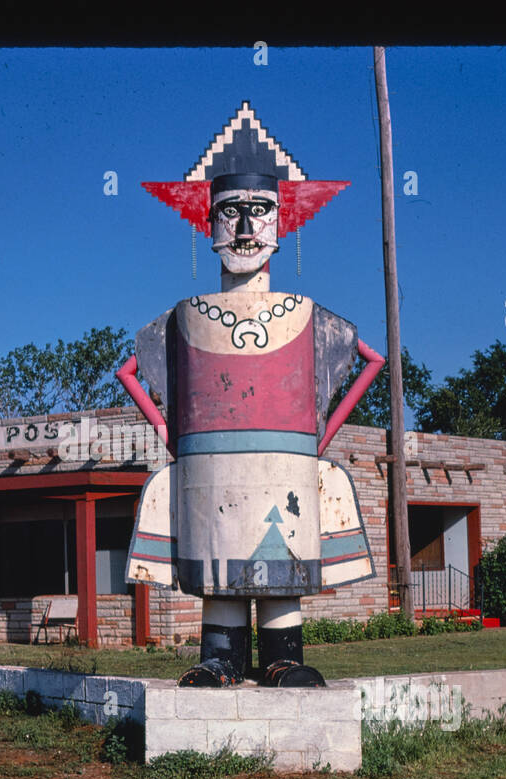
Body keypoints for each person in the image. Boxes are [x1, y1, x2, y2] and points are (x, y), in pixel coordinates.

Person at [117, 102, 384, 687]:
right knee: (216, 567)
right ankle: (221, 659)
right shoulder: (185, 316)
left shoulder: (307, 313)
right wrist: (170, 435)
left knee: (281, 567)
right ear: (206, 223)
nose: (243, 228)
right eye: (229, 212)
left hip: (286, 467)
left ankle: (283, 656)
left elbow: (371, 360)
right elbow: (131, 370)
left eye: (259, 211)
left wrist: (320, 436)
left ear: (282, 223)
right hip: (207, 470)